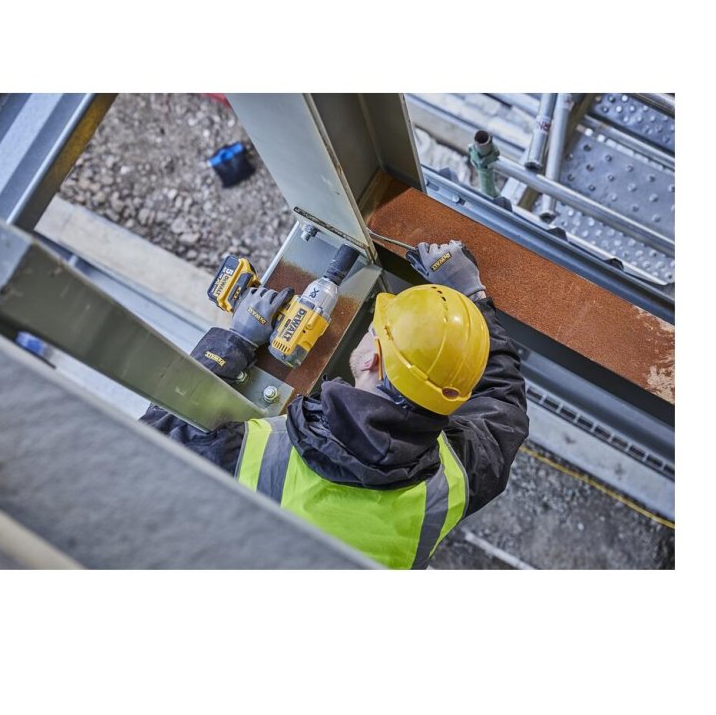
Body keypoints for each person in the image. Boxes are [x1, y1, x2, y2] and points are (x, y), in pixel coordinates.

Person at [141, 241, 529, 568]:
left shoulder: (252, 452)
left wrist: (236, 341)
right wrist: (471, 301)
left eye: (374, 330)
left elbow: (151, 438)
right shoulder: (456, 481)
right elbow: (503, 403)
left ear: (370, 359)